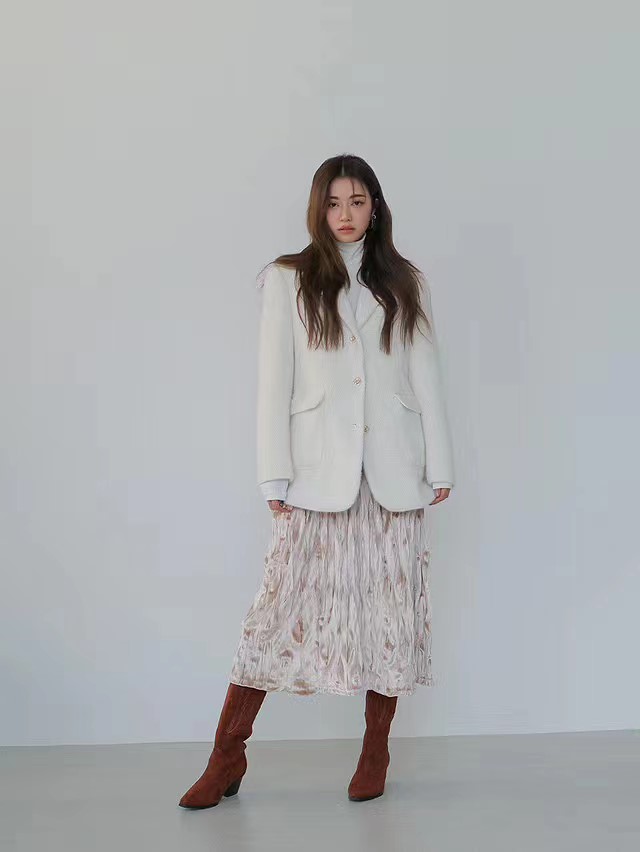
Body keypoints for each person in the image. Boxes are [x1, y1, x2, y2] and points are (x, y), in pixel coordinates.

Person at [178, 153, 455, 810]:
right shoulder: (289, 279)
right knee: (276, 614)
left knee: (389, 613)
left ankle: (375, 750)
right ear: (318, 209)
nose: (345, 214)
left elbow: (426, 374)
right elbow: (274, 382)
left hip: (392, 472)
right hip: (315, 473)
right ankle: (227, 754)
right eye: (334, 203)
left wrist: (439, 465)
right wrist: (273, 473)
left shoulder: (405, 281)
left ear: (376, 208)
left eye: (357, 202)